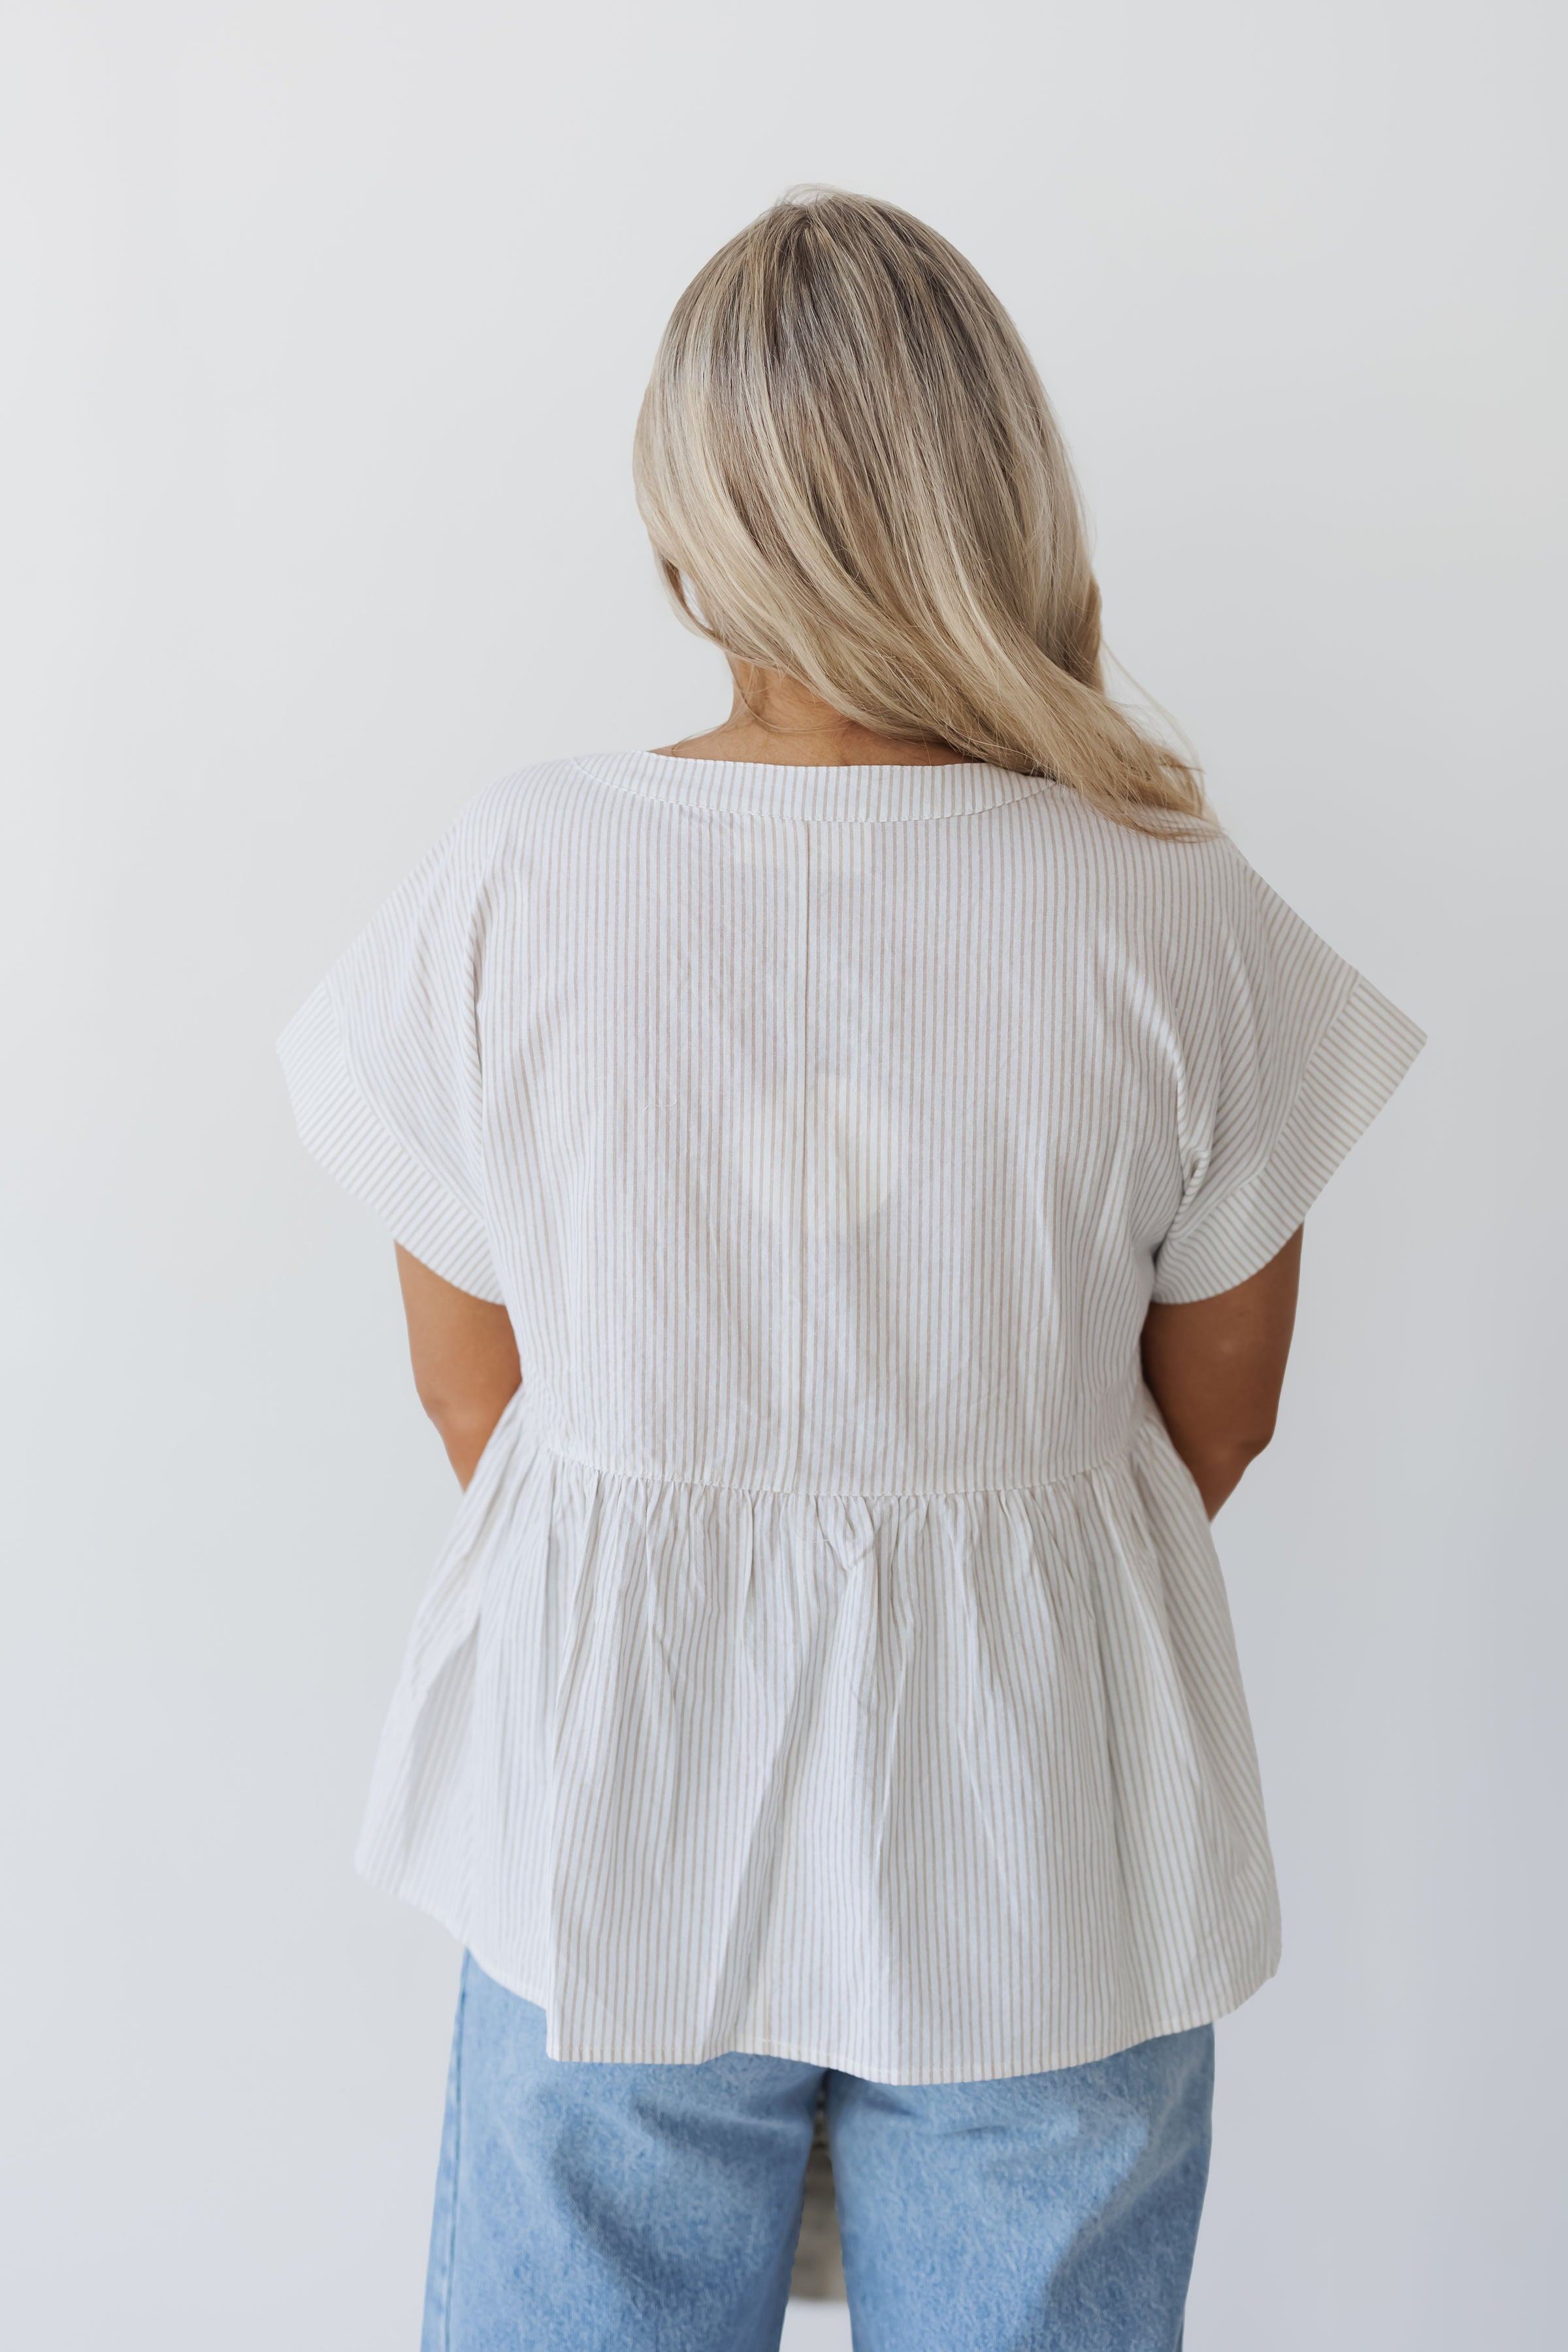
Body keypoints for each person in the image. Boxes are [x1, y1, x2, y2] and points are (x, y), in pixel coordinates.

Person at [278, 188, 1424, 2351]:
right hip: (1045, 1825)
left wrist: (698, 1600)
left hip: (611, 1809)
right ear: (1002, 494)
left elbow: (469, 1393)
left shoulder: (524, 871)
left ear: (686, 531)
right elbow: (1225, 1412)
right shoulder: (1165, 896)